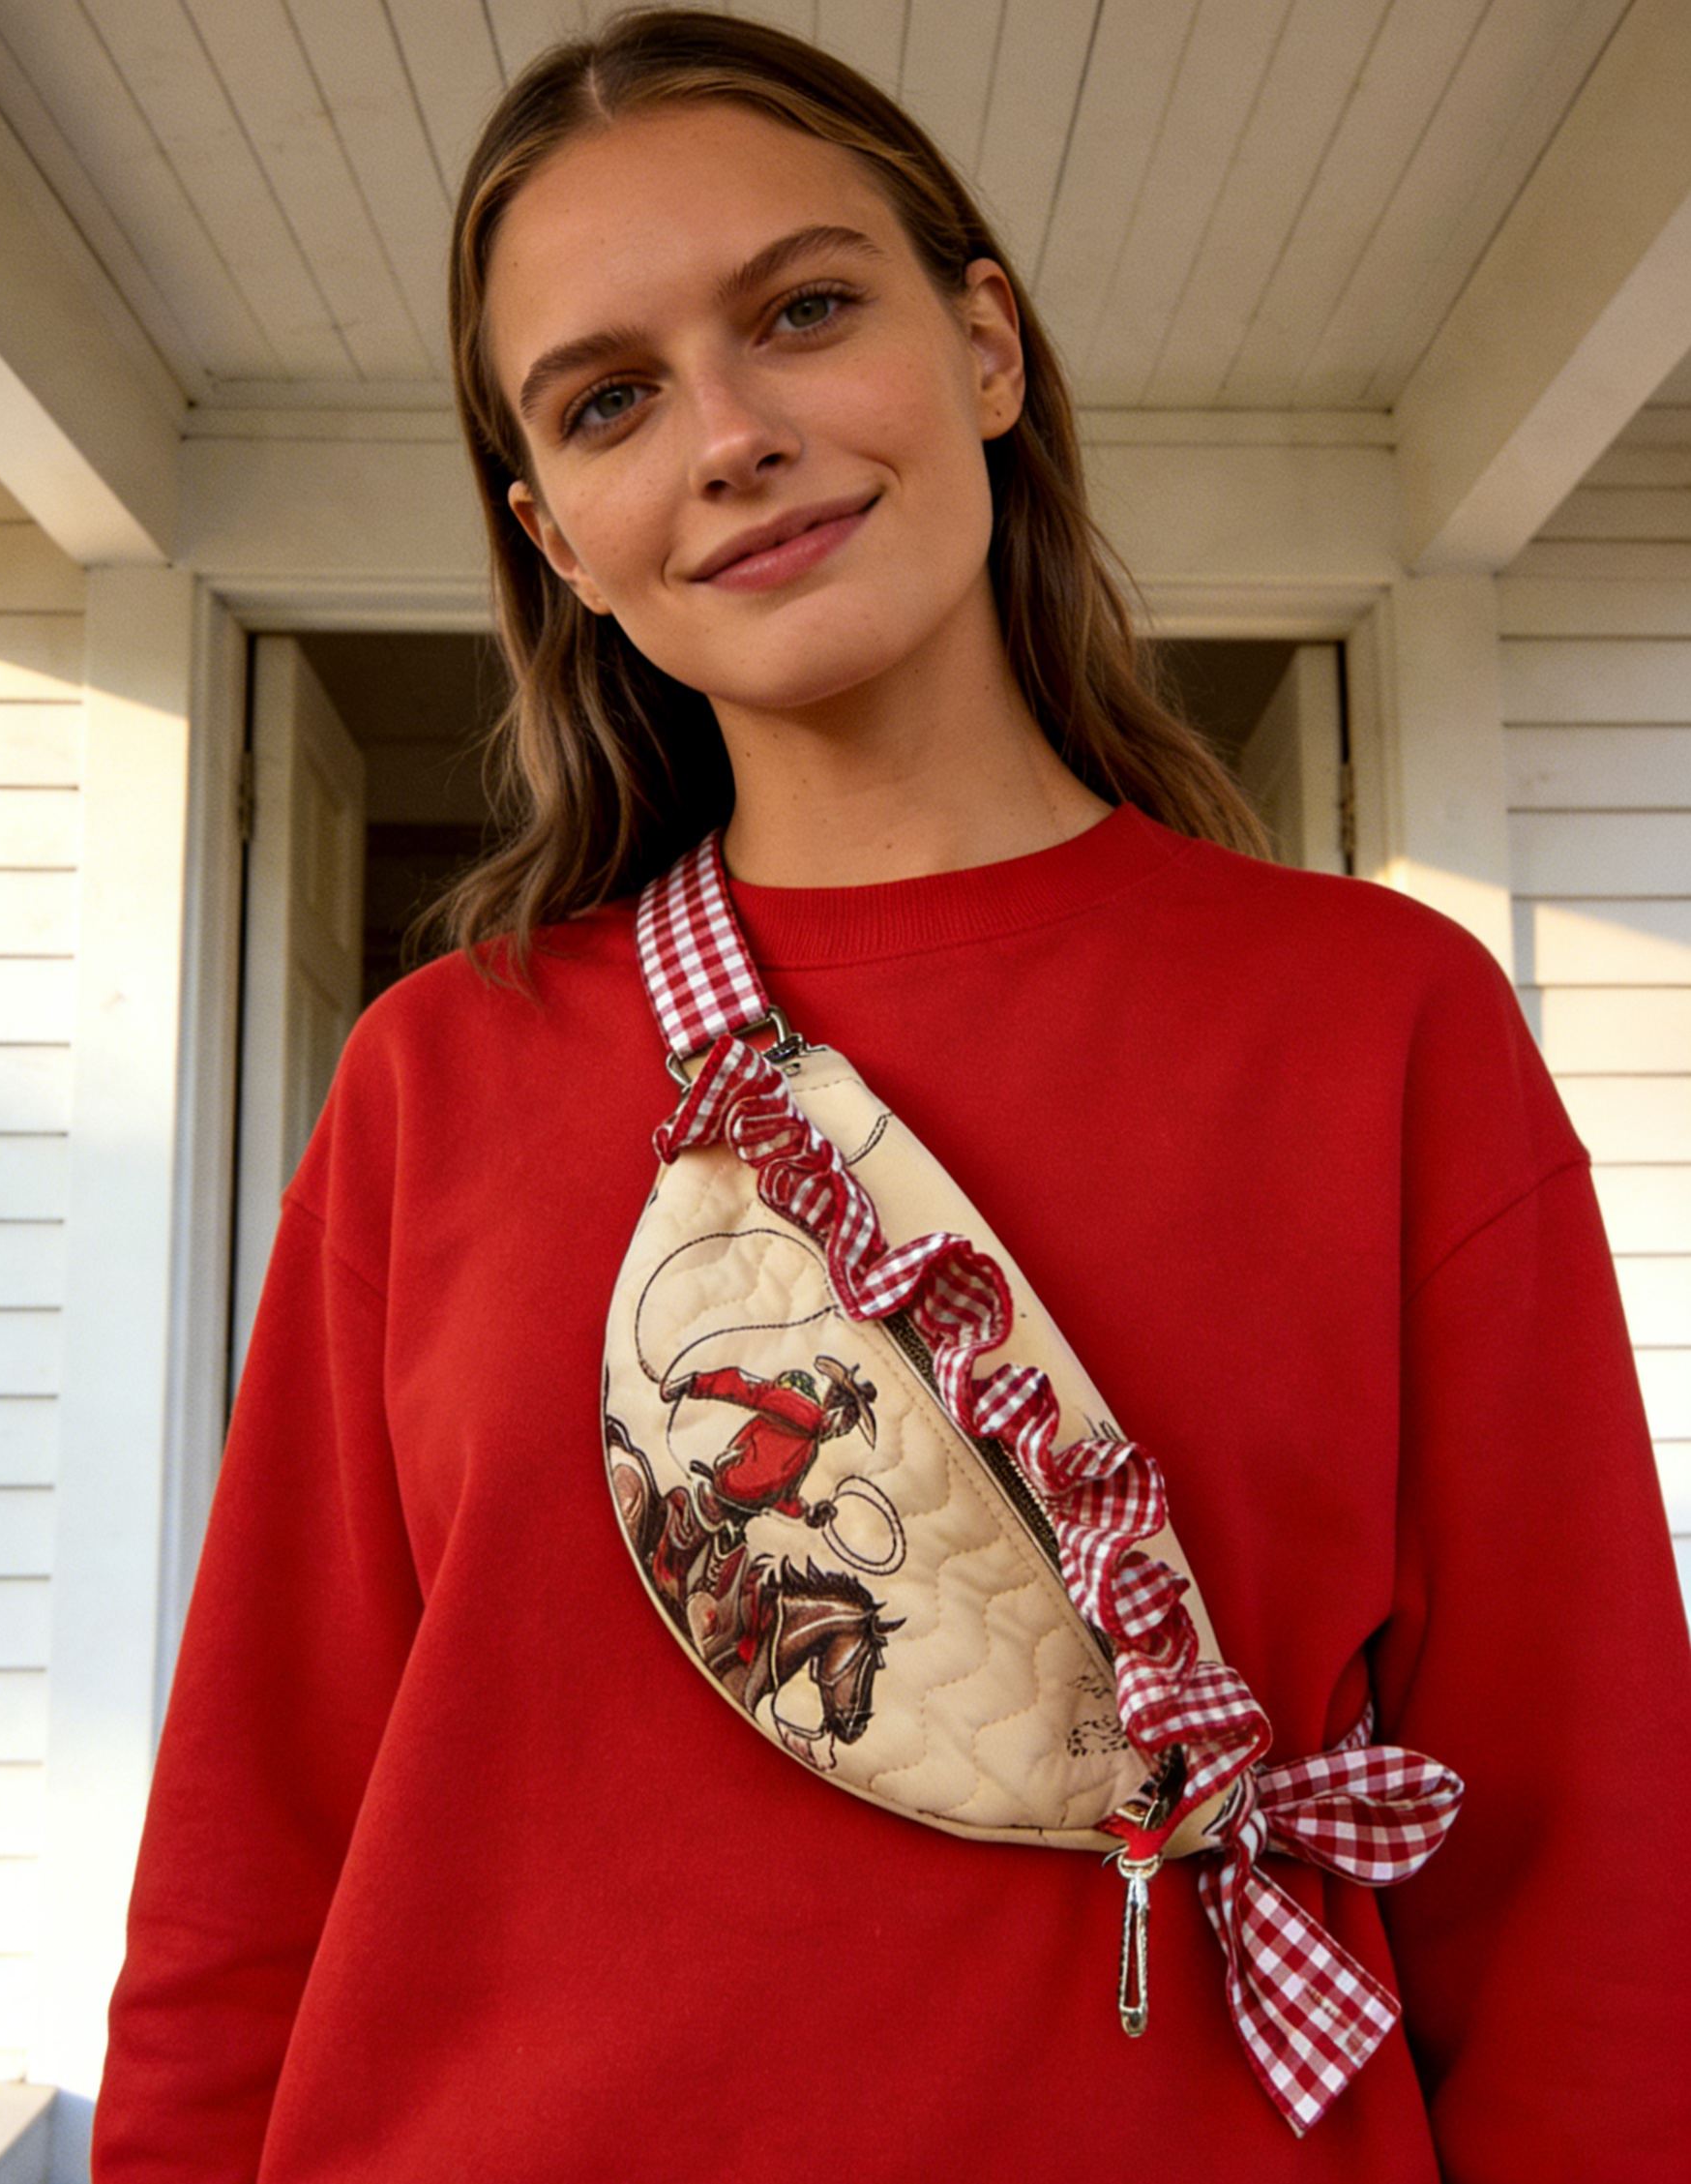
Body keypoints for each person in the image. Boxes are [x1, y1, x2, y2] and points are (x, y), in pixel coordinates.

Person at [93, 9, 1691, 2178]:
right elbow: (249, 1870)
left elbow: (1584, 1880)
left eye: (804, 311)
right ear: (556, 535)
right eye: (609, 399)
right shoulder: (435, 1081)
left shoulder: (1378, 1027)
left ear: (986, 347)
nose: (730, 436)